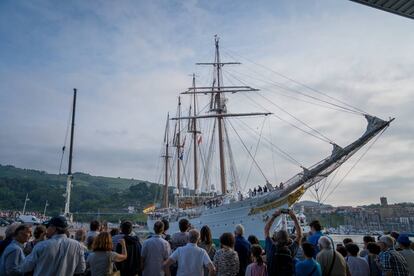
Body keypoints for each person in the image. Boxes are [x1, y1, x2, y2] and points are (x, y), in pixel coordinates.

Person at [20, 215, 86, 275]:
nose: (46, 230)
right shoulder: (78, 246)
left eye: (47, 227)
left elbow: (25, 267)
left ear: (54, 228)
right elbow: (81, 269)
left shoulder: (42, 245)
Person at [264, 209, 302, 276]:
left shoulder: (271, 248)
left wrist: (274, 215)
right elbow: (299, 236)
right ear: (288, 241)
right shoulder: (290, 250)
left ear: (275, 239)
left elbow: (266, 230)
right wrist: (294, 218)